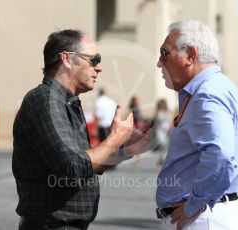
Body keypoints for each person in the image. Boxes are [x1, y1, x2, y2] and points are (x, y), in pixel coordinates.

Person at [12, 29, 150, 230]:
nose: (99, 67)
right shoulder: (45, 100)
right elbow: (73, 167)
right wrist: (113, 139)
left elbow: (89, 166)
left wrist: (126, 150)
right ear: (66, 59)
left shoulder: (67, 103)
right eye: (93, 60)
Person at [155, 20, 238, 230]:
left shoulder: (207, 94)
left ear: (190, 55)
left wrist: (197, 202)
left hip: (203, 219)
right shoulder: (224, 87)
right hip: (215, 213)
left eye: (164, 53)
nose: (159, 63)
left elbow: (221, 153)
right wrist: (230, 187)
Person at [153, 99, 172, 166]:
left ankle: (163, 160)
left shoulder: (168, 112)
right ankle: (163, 160)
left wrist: (169, 127)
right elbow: (156, 122)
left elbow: (170, 121)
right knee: (162, 145)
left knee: (166, 146)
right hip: (159, 131)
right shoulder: (158, 112)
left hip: (167, 131)